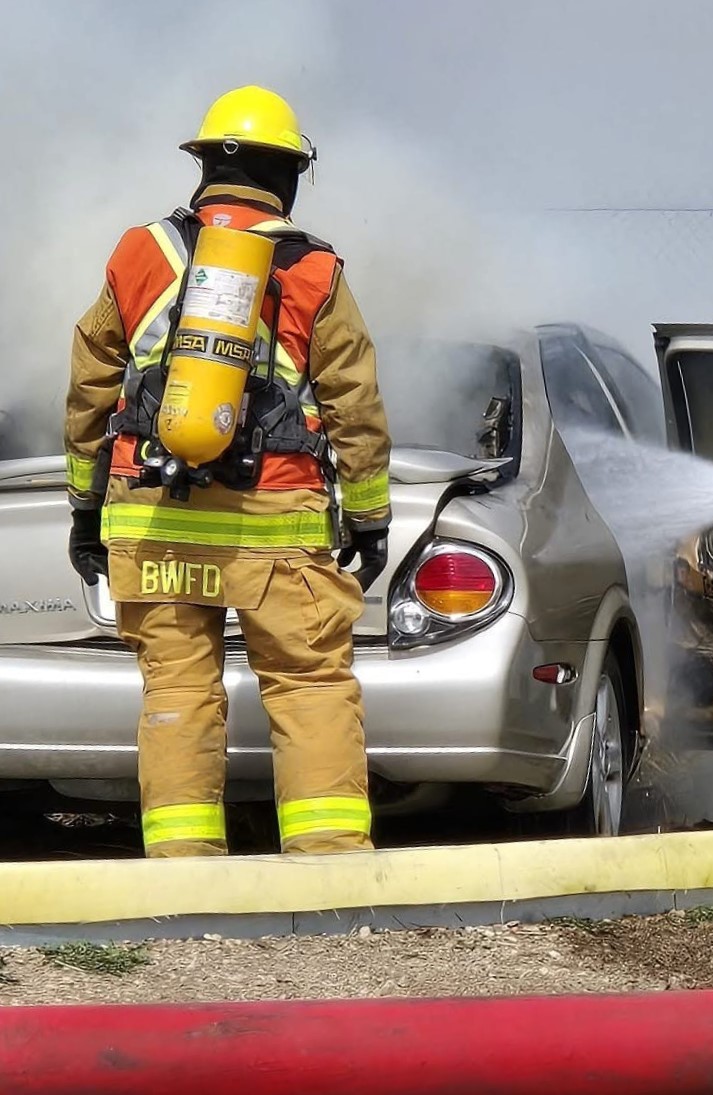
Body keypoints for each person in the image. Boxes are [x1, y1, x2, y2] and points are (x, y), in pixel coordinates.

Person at [63, 85, 392, 856]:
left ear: (205, 163)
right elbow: (355, 404)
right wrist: (371, 519)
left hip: (153, 521)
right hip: (275, 527)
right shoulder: (313, 269)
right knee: (309, 688)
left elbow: (89, 388)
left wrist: (86, 508)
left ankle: (182, 879)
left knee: (178, 693)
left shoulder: (138, 254)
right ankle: (331, 875)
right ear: (291, 174)